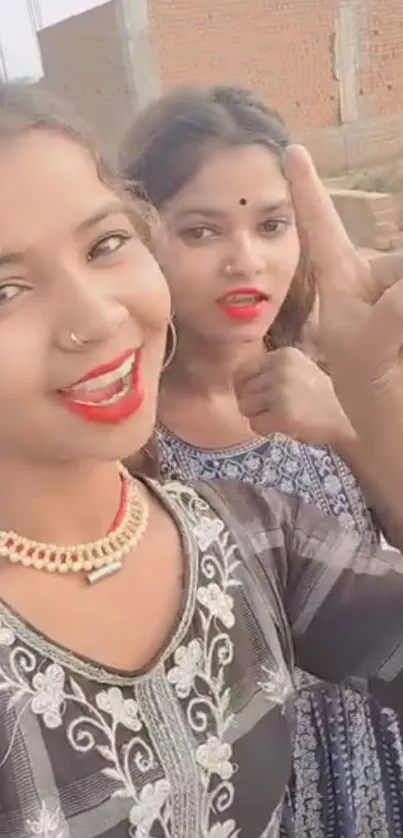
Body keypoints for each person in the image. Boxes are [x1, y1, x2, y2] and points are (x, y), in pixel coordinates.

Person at [1, 82, 403, 838]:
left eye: (103, 245)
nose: (96, 317)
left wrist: (375, 410)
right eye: (5, 290)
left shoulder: (248, 541)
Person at [120, 86, 403, 837]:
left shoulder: (346, 376)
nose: (246, 261)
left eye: (271, 224)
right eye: (201, 231)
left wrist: (350, 426)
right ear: (139, 241)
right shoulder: (128, 439)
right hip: (248, 787)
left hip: (373, 742)